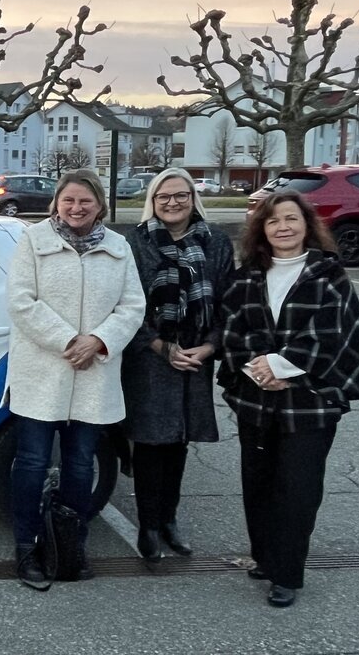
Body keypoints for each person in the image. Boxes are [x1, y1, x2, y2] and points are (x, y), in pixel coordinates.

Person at [217, 190, 359, 608]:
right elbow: (232, 330)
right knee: (258, 483)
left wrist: (282, 367)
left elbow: (332, 333)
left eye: (291, 219)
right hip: (256, 397)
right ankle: (265, 557)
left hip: (310, 399)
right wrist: (259, 369)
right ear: (261, 229)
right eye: (273, 221)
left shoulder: (329, 274)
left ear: (306, 225)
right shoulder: (246, 277)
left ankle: (287, 574)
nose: (282, 227)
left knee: (297, 489)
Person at [4, 168, 145, 591]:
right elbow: (21, 301)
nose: (76, 207)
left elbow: (132, 306)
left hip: (93, 372)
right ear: (56, 203)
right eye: (68, 200)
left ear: (100, 205)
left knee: (81, 464)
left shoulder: (119, 247)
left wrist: (99, 341)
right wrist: (68, 340)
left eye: (85, 201)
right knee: (31, 462)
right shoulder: (33, 240)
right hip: (43, 370)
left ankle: (70, 546)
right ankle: (27, 547)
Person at [122, 169, 234, 561]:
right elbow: (124, 303)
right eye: (163, 196)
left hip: (194, 357)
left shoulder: (216, 241)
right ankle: (149, 527)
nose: (172, 203)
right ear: (152, 201)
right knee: (150, 444)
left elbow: (228, 301)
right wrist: (158, 345)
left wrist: (209, 346)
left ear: (192, 198)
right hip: (149, 357)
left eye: (180, 195)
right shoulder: (135, 242)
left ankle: (169, 519)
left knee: (179, 442)